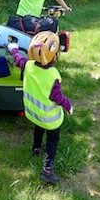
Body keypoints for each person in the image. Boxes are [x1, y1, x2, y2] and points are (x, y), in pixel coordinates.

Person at [8, 31, 73, 184]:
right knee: (52, 140)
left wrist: (13, 49)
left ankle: (36, 149)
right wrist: (69, 107)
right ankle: (47, 170)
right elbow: (58, 98)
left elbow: (18, 60)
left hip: (34, 114)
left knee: (38, 129)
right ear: (53, 55)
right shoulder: (52, 75)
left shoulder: (29, 65)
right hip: (50, 119)